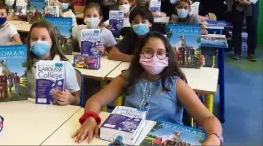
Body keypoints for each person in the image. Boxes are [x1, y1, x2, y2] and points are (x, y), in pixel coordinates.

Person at [72, 32, 223, 145]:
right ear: (139, 54)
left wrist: (215, 137)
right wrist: (91, 119)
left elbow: (208, 118)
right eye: (148, 51)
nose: (154, 57)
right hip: (129, 138)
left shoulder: (176, 84)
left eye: (160, 53)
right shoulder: (128, 77)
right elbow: (96, 99)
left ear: (167, 56)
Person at [0, 21, 81, 105]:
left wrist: (70, 99)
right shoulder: (20, 62)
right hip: (24, 112)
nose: (38, 42)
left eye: (44, 38)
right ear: (29, 41)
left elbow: (77, 100)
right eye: (34, 39)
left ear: (52, 41)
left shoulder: (65, 66)